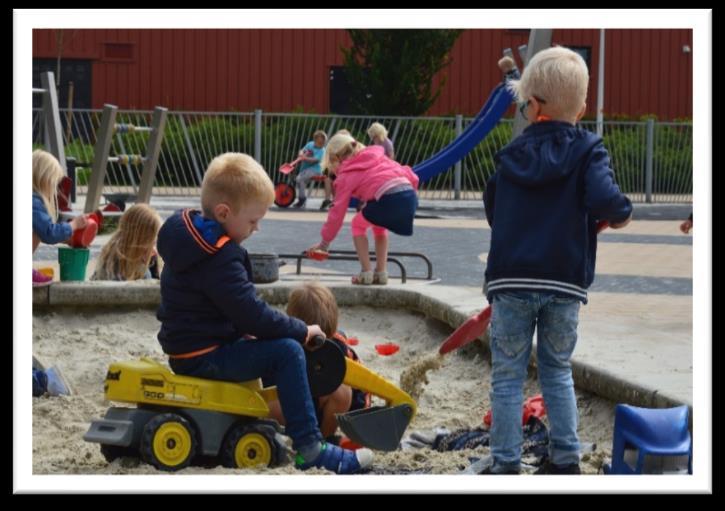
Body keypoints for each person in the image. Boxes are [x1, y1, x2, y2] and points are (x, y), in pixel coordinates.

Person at [155, 152, 372, 474]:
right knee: (286, 352)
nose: (255, 229)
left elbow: (230, 311)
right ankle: (311, 448)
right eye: (253, 221)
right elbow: (251, 314)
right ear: (224, 212)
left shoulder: (191, 240)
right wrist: (300, 330)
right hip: (206, 355)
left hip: (191, 347)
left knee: (267, 341)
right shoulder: (219, 256)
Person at [482, 46, 633, 475]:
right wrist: (620, 214)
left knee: (508, 375)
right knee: (557, 370)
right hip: (564, 282)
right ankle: (565, 459)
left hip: (511, 280)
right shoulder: (588, 150)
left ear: (531, 106)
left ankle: (506, 463)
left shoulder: (511, 155)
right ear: (583, 107)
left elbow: (494, 207)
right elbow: (605, 199)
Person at [308, 133, 419, 285]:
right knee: (379, 225)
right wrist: (409, 197)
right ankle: (381, 273)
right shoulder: (378, 156)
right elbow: (411, 175)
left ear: (337, 158)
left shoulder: (346, 174)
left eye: (332, 164)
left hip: (388, 199)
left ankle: (366, 273)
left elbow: (337, 211)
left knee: (357, 224)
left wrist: (324, 244)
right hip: (409, 196)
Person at [264, 281, 370, 441]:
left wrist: (362, 413)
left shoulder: (338, 347)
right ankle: (286, 438)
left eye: (323, 342)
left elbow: (360, 384)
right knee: (271, 398)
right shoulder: (282, 346)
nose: (316, 348)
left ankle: (324, 439)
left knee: (342, 390)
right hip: (287, 413)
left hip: (320, 413)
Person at [32, 149, 89, 286]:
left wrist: (66, 238)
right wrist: (73, 225)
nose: (55, 189)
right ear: (44, 179)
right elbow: (49, 233)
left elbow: (42, 230)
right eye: (54, 183)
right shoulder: (33, 202)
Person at [91, 203, 162, 281]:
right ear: (140, 242)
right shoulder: (138, 272)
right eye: (152, 243)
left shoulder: (110, 259)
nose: (155, 251)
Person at [293, 130, 327, 209]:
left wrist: (305, 158)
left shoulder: (322, 150)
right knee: (300, 181)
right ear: (314, 140)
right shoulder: (310, 144)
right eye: (319, 143)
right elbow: (302, 150)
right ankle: (302, 197)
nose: (321, 145)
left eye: (322, 143)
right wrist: (301, 154)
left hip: (316, 170)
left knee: (299, 179)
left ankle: (302, 198)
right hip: (306, 169)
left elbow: (315, 160)